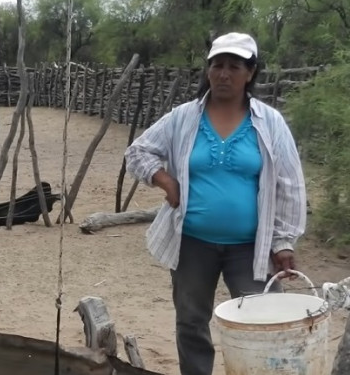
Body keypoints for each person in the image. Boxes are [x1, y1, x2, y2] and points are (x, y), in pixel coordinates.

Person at [124, 32, 307, 375]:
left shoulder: (269, 123)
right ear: (208, 71)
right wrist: (166, 181)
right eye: (217, 65)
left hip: (251, 247)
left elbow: (290, 184)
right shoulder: (184, 117)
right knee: (192, 322)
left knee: (264, 320)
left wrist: (283, 241)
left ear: (250, 73)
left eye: (234, 66)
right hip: (193, 242)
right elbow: (138, 151)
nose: (224, 73)